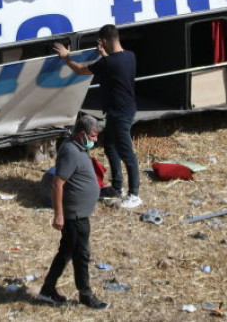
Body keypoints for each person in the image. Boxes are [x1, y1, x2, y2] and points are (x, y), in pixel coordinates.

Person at [54, 24, 142, 209]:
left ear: (105, 41)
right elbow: (115, 66)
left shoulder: (108, 63)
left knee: (127, 154)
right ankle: (117, 187)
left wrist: (66, 57)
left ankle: (134, 194)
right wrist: (104, 54)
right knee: (110, 147)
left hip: (119, 114)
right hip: (124, 109)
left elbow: (79, 70)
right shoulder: (130, 56)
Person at [37, 113, 109, 310]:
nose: (95, 139)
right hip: (75, 216)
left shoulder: (78, 147)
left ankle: (47, 289)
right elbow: (57, 183)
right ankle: (85, 294)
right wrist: (58, 214)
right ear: (81, 133)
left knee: (67, 251)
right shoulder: (70, 151)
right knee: (81, 254)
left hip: (80, 213)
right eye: (93, 136)